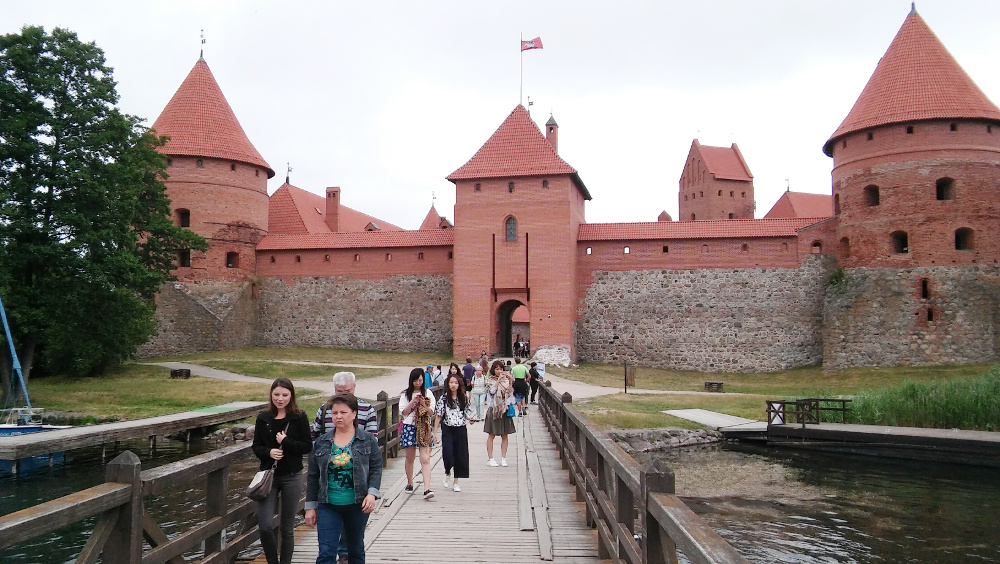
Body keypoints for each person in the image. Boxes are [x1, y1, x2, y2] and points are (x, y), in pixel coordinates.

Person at [305, 393, 382, 564]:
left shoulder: (367, 440)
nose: (338, 417)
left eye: (343, 412)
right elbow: (312, 476)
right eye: (334, 413)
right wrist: (310, 507)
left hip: (357, 504)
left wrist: (372, 494)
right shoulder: (322, 442)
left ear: (354, 413)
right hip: (328, 504)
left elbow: (376, 468)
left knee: (355, 550)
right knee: (326, 553)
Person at [252, 378, 312, 564]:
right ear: (271, 395)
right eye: (277, 394)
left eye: (285, 395)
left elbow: (306, 446)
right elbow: (257, 447)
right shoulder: (263, 418)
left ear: (291, 395)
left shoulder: (299, 417)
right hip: (268, 477)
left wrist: (286, 442)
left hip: (291, 476)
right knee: (265, 526)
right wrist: (269, 452)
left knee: (286, 527)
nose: (280, 399)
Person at [400, 367, 436, 499]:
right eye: (415, 381)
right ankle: (410, 482)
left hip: (424, 426)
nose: (418, 383)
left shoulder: (428, 393)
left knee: (425, 458)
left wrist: (423, 404)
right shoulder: (405, 395)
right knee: (410, 457)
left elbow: (431, 412)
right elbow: (403, 412)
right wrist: (412, 402)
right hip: (409, 426)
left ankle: (427, 488)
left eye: (420, 380)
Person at [312, 371, 378, 440]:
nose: (344, 395)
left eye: (347, 391)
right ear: (335, 389)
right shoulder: (324, 409)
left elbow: (373, 439)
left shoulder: (367, 409)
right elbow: (313, 435)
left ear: (354, 386)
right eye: (339, 392)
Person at [434, 372, 470, 492]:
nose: (453, 385)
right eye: (451, 382)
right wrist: (434, 433)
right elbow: (438, 416)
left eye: (456, 383)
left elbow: (467, 412)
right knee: (448, 453)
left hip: (460, 428)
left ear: (459, 384)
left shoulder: (464, 398)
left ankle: (456, 481)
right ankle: (447, 471)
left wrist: (471, 419)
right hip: (448, 428)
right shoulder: (444, 398)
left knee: (460, 455)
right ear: (448, 384)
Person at [483, 360, 515, 467]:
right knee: (491, 434)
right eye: (497, 369)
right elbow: (492, 391)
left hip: (504, 408)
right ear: (493, 370)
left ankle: (503, 458)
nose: (499, 371)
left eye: (501, 369)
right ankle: (490, 458)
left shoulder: (506, 380)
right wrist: (498, 381)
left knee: (504, 434)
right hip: (494, 409)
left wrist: (510, 381)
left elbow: (510, 392)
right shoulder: (490, 380)